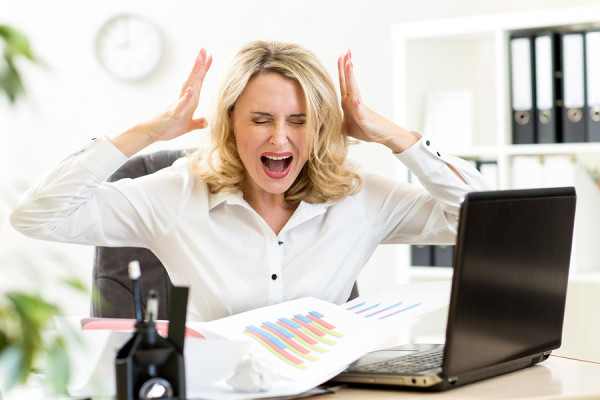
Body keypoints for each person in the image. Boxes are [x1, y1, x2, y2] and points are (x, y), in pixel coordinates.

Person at [10, 41, 488, 322]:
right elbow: (37, 216)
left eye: (299, 120)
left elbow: (490, 221)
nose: (280, 138)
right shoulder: (176, 193)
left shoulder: (360, 197)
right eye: (261, 119)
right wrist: (145, 133)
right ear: (230, 123)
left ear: (319, 126)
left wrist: (395, 138)